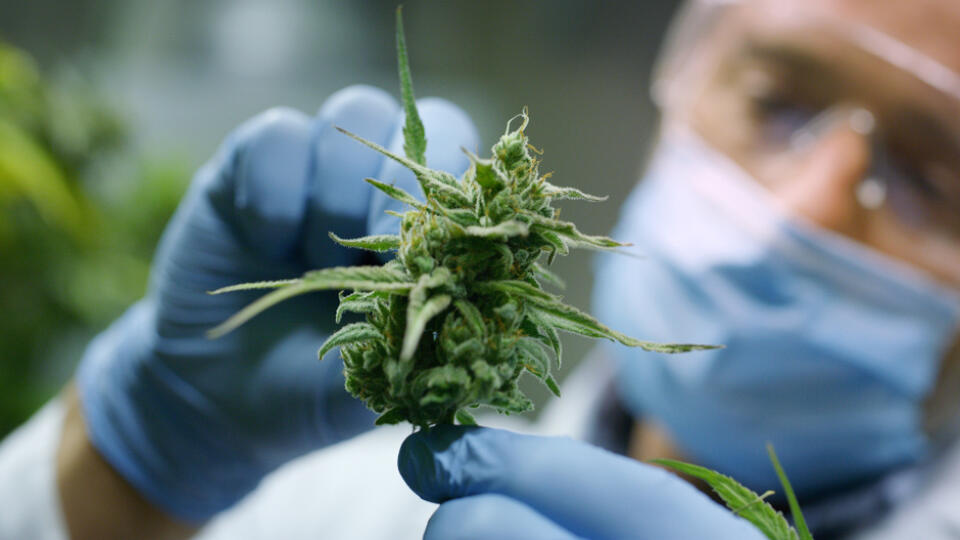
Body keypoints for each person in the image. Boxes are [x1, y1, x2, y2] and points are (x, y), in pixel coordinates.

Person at [2, 0, 959, 538]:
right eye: (779, 101)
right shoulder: (339, 505)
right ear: (680, 90)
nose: (809, 206)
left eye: (934, 176)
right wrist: (128, 473)